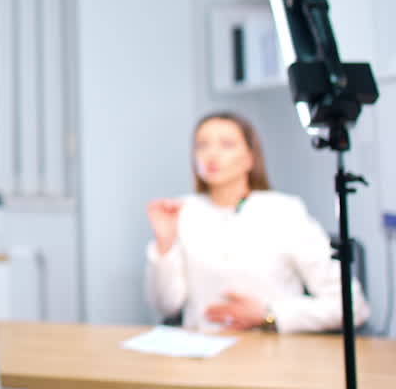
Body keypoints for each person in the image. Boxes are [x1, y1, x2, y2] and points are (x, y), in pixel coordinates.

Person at [145, 112, 370, 333]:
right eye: (202, 145)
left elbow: (353, 307)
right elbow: (167, 305)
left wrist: (270, 315)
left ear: (250, 157)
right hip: (202, 346)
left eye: (227, 144)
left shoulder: (284, 211)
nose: (211, 154)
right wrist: (165, 244)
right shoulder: (182, 211)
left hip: (272, 346)